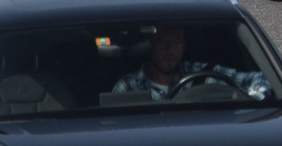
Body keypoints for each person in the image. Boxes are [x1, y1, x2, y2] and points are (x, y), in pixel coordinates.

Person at [112, 25, 270, 101]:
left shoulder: (204, 73)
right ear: (150, 45)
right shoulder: (128, 86)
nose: (169, 49)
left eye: (176, 42)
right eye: (163, 42)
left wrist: (249, 102)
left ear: (184, 45)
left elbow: (262, 78)